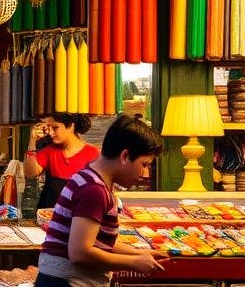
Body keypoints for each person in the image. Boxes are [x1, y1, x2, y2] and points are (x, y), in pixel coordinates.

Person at [35, 115, 168, 287]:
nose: (145, 173)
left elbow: (100, 243)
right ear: (125, 156)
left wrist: (139, 254)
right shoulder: (93, 190)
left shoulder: (92, 180)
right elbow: (80, 253)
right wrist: (134, 263)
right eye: (144, 164)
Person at [24, 113, 99, 211]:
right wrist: (32, 142)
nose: (50, 132)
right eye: (48, 127)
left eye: (55, 128)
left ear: (70, 126)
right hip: (48, 218)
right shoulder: (49, 152)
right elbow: (30, 173)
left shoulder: (93, 154)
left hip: (80, 217)